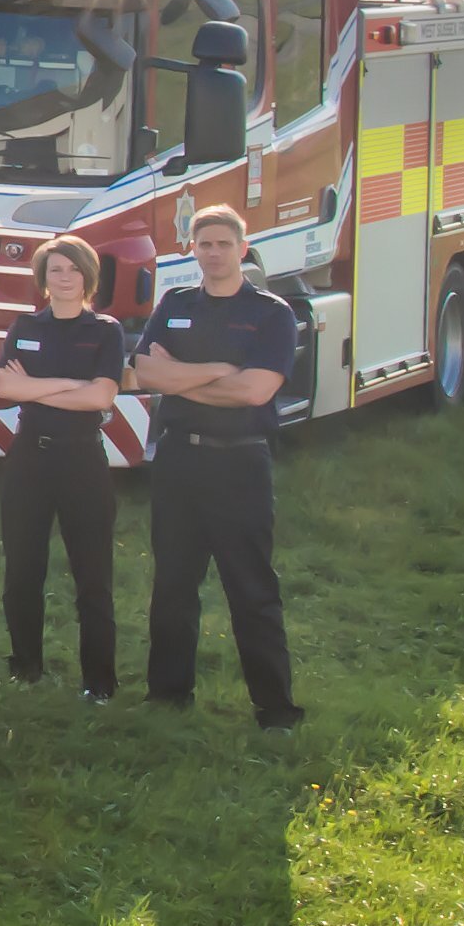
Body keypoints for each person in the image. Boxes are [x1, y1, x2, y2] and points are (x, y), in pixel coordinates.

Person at [131, 205, 304, 727]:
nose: (213, 252)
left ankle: (275, 710)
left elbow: (257, 390)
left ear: (242, 249)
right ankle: (167, 697)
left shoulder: (272, 313)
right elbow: (144, 374)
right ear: (192, 249)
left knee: (251, 587)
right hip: (180, 459)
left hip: (241, 465)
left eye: (223, 243)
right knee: (173, 585)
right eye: (203, 243)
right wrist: (215, 373)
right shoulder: (175, 303)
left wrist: (179, 375)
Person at [0, 233, 126, 700]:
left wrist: (39, 387)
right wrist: (72, 385)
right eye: (55, 270)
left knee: (92, 576)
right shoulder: (24, 327)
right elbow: (4, 388)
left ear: (88, 276)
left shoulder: (106, 331)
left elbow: (102, 396)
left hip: (81, 458)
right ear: (42, 279)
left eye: (72, 269)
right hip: (29, 457)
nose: (64, 278)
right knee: (22, 571)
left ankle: (99, 682)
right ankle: (25, 669)